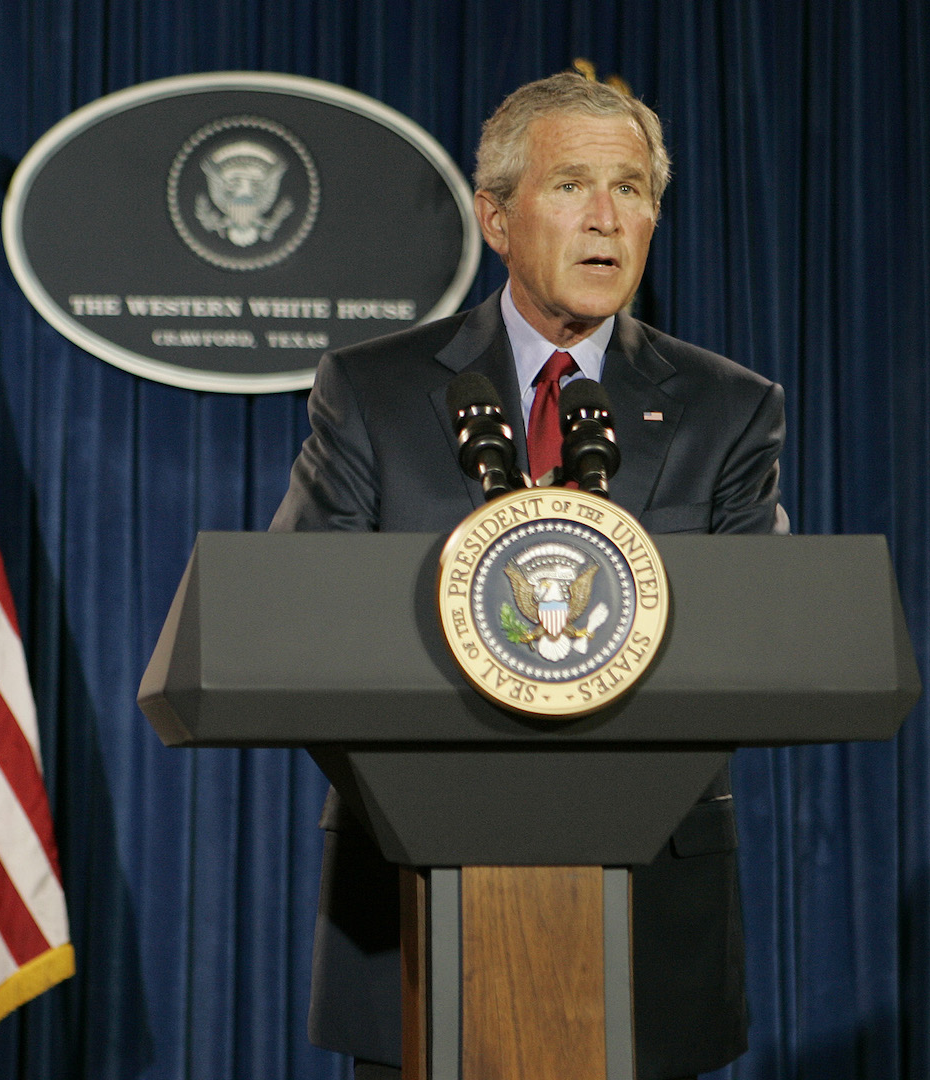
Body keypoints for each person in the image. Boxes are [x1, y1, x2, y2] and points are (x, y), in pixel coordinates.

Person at [271, 71, 787, 1080]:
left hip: (647, 908)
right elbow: (303, 633)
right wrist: (440, 805)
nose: (607, 218)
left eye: (631, 189)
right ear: (496, 218)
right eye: (571, 186)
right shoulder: (370, 391)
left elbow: (747, 642)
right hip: (415, 901)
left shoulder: (729, 409)